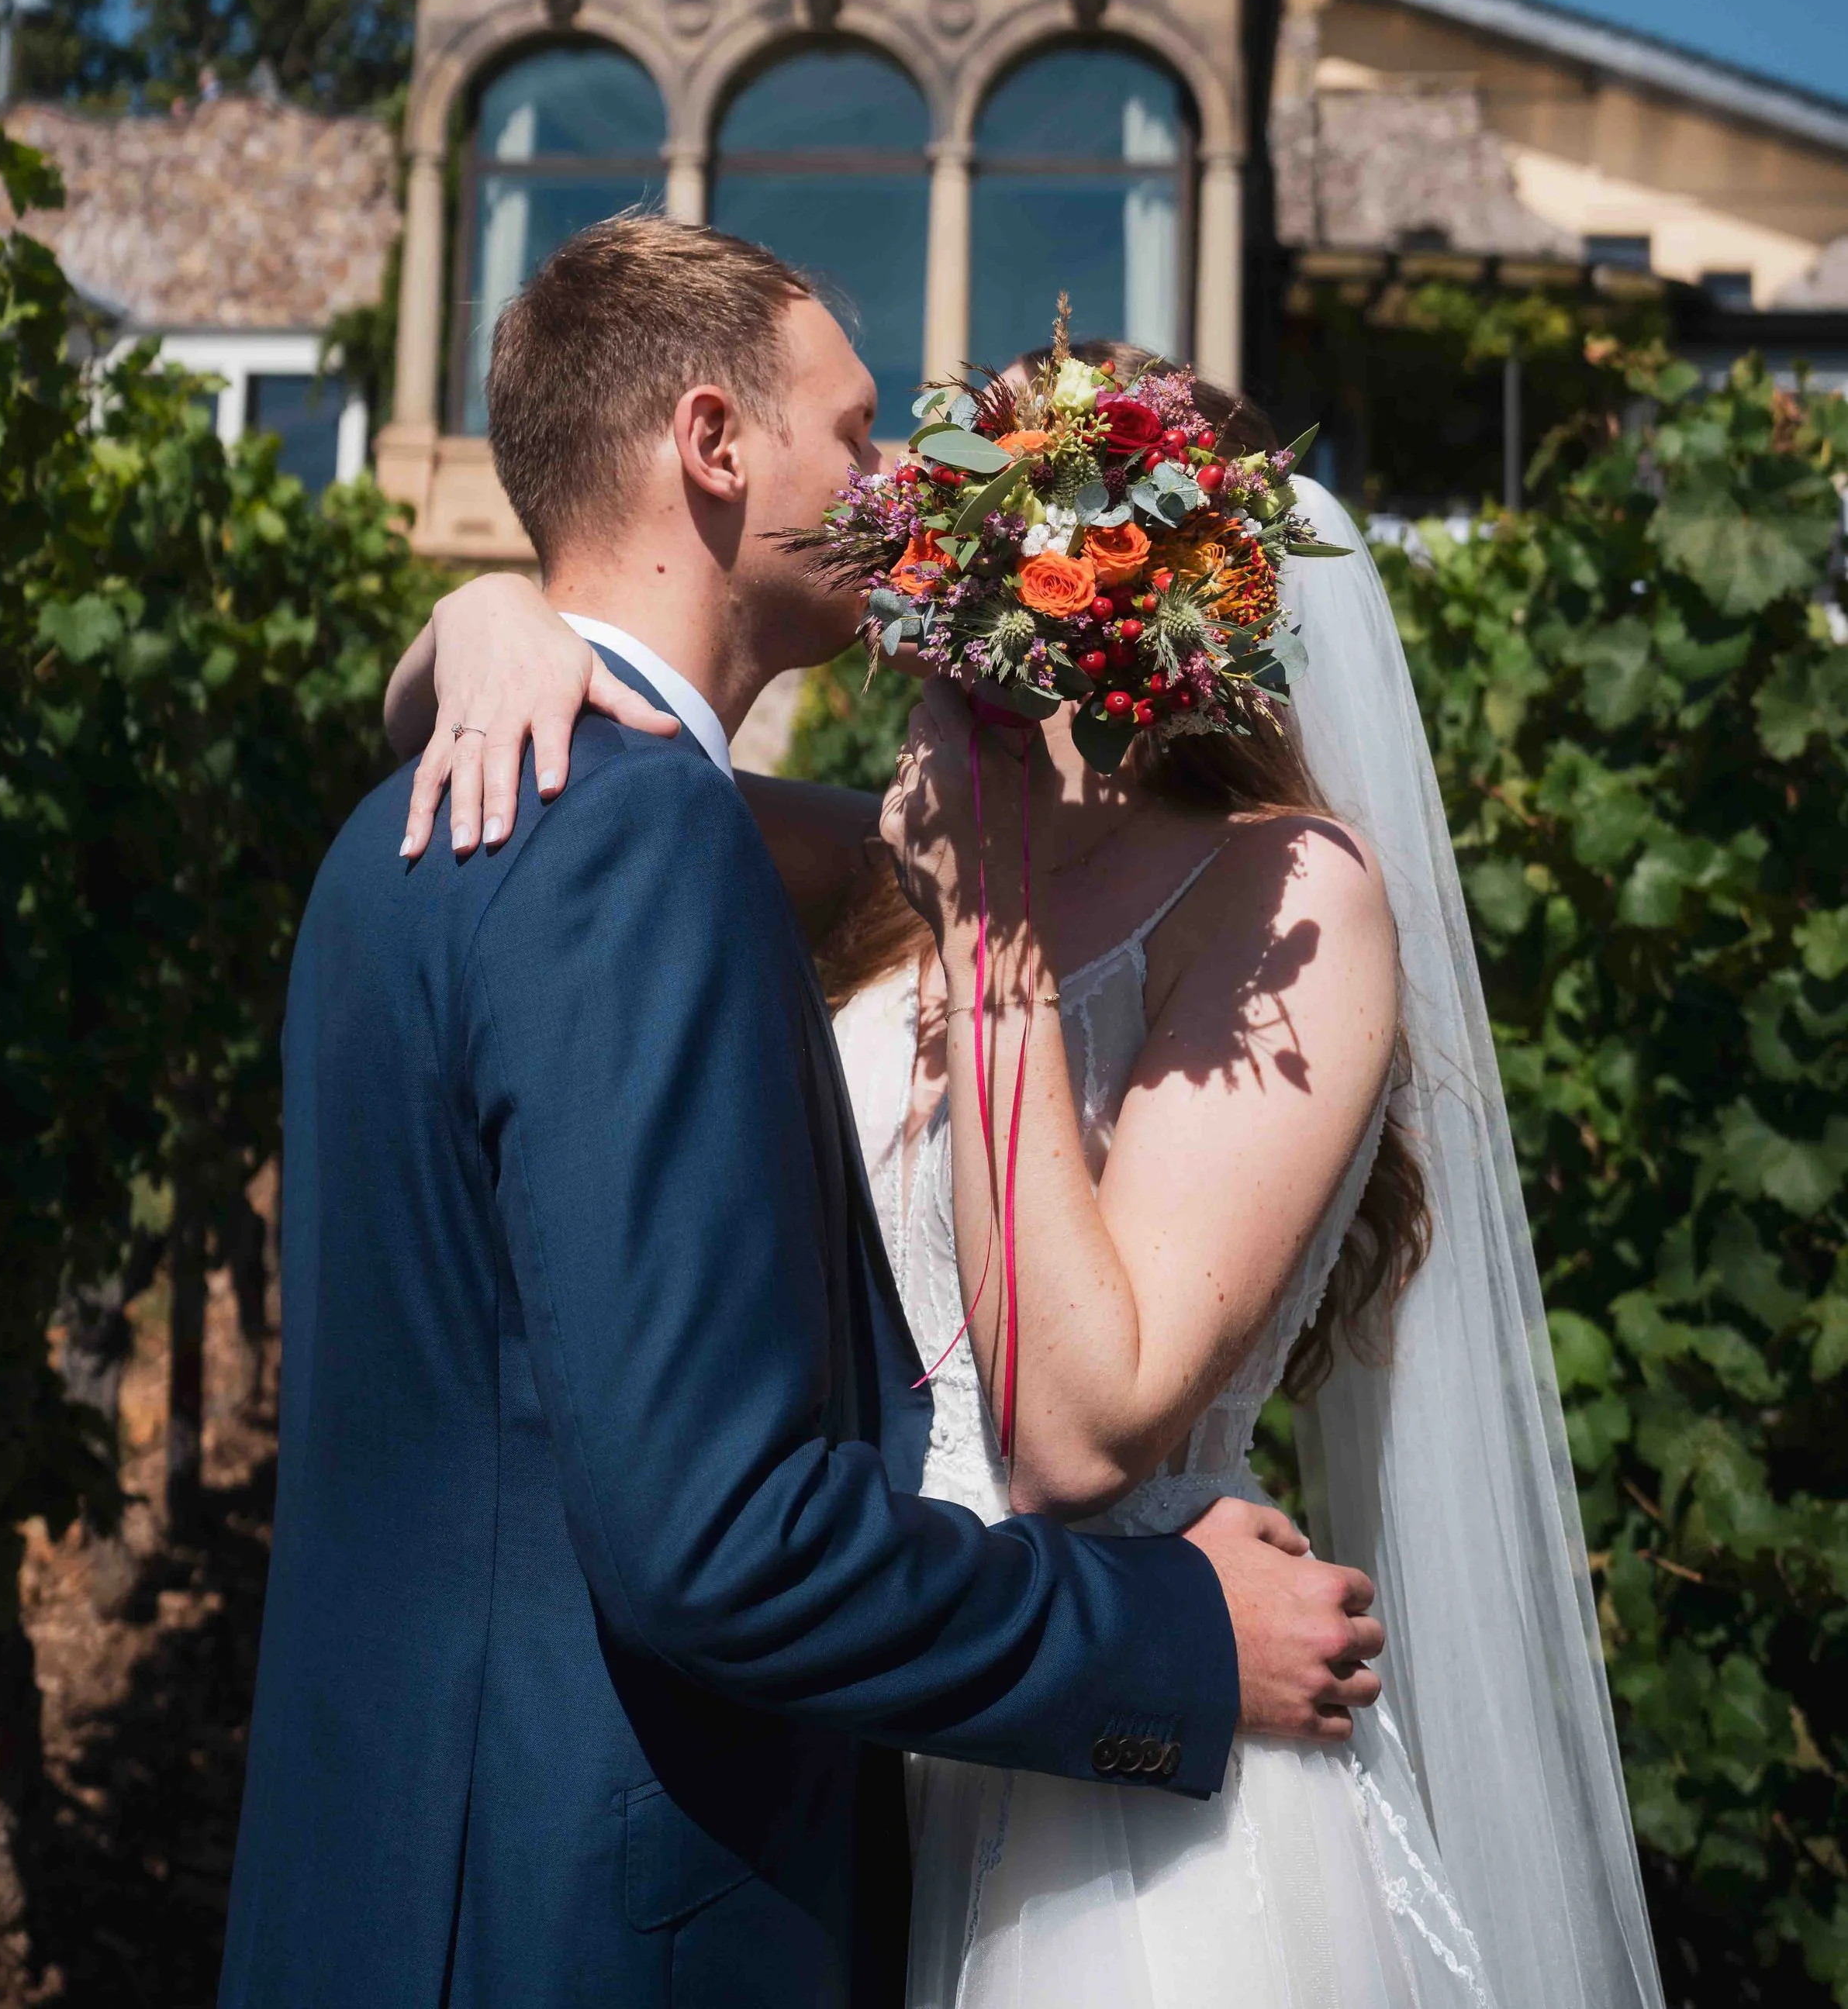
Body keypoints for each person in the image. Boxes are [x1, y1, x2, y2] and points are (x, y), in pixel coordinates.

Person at [397, 321, 1668, 2009]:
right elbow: (537, 773)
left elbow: (1077, 1428)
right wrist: (481, 625)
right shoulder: (886, 863)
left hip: (1138, 1800)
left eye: (1021, 531)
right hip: (878, 1716)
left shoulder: (1282, 894)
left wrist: (983, 930)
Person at [219, 226, 1386, 2009]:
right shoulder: (654, 836)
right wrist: (484, 622)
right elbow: (716, 1538)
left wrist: (482, 624)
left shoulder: (396, 839)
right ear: (709, 442)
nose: (903, 495)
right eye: (857, 437)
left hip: (423, 1868)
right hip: (634, 1882)